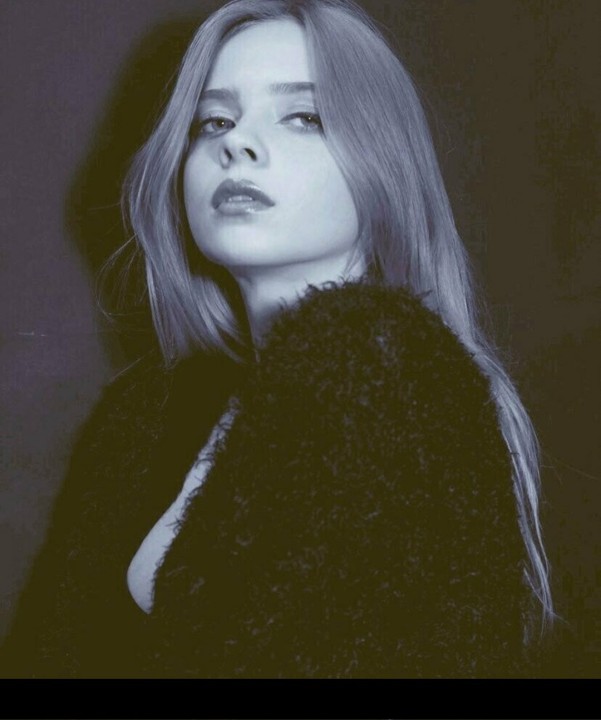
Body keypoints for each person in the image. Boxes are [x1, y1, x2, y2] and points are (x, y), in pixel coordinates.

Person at [1, 0, 554, 678]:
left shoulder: (385, 368)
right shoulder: (150, 414)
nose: (237, 143)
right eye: (215, 120)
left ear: (383, 164)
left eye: (303, 116)